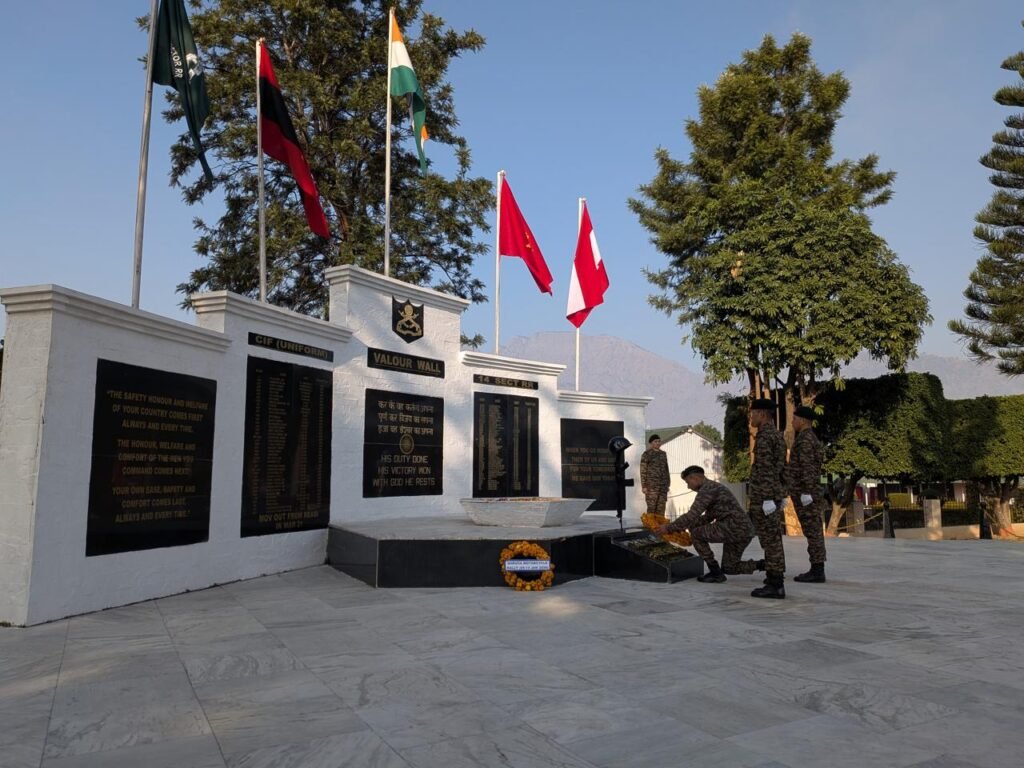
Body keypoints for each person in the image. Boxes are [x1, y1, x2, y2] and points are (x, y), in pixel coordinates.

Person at [655, 466, 755, 583]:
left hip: (734, 527)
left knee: (696, 535)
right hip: (743, 530)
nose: (688, 487)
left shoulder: (707, 489)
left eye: (688, 482)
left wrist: (669, 528)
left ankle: (715, 572)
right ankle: (767, 566)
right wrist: (684, 526)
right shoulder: (713, 487)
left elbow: (692, 514)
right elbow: (707, 517)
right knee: (730, 567)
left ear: (695, 478)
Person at [738, 397, 788, 599]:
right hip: (772, 495)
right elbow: (782, 468)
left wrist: (768, 498)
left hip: (765, 497)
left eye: (752, 414)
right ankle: (773, 578)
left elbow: (766, 469)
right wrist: (782, 493)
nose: (751, 418)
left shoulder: (766, 436)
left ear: (761, 414)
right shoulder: (775, 435)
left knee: (771, 542)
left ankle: (776, 584)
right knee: (772, 540)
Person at [786, 404, 827, 583]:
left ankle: (817, 570)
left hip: (806, 493)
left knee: (813, 531)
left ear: (803, 420)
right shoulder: (808, 438)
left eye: (794, 419)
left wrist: (807, 492)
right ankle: (817, 568)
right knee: (813, 531)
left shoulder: (805, 440)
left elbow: (808, 467)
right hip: (805, 491)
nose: (792, 422)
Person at [639, 434, 670, 516]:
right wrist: (644, 486)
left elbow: (666, 469)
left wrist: (668, 483)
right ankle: (650, 524)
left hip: (663, 486)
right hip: (651, 487)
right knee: (652, 508)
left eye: (659, 441)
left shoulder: (663, 454)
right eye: (655, 441)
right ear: (651, 443)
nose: (658, 443)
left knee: (661, 508)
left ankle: (660, 524)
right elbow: (643, 471)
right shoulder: (646, 454)